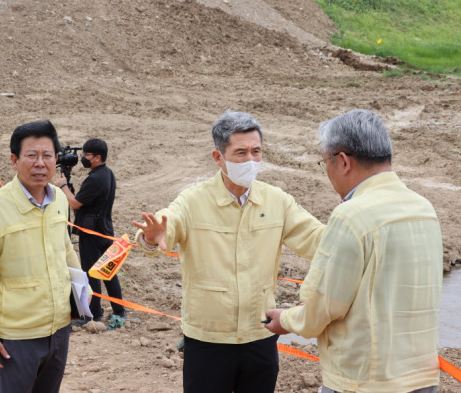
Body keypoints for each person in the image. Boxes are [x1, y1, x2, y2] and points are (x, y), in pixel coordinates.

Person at [132, 110, 325, 393]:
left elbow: (318, 239)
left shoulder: (276, 201)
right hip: (208, 340)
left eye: (256, 152)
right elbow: (166, 224)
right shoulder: (193, 201)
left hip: (260, 335)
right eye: (240, 153)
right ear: (218, 157)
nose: (250, 161)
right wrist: (151, 237)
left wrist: (355, 231)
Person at [265, 109, 443, 393]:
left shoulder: (351, 215)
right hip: (422, 378)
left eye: (324, 162)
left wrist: (286, 319)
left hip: (363, 381)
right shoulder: (424, 208)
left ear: (343, 161)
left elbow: (322, 308)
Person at [0, 120, 85, 393]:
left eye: (47, 155)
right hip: (17, 339)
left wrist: (80, 296)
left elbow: (65, 249)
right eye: (31, 155)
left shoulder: (59, 200)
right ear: (15, 160)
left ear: (56, 159)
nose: (40, 163)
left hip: (59, 330)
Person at [54, 138, 126, 324]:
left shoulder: (94, 179)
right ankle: (119, 310)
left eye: (86, 155)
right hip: (105, 230)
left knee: (91, 273)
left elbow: (75, 203)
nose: (83, 158)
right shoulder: (107, 174)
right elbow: (85, 201)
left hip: (91, 233)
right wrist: (71, 191)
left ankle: (93, 315)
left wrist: (62, 187)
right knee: (108, 272)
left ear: (97, 157)